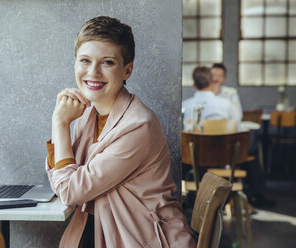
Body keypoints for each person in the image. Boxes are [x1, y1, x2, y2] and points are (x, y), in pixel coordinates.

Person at [45, 16, 196, 248]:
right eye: (85, 60)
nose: (93, 72)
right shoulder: (87, 113)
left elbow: (68, 190)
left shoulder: (137, 126)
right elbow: (63, 180)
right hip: (102, 231)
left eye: (107, 62)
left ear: (127, 70)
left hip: (145, 239)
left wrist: (59, 123)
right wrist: (63, 125)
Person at [182, 66, 238, 130]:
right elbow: (237, 127)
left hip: (194, 140)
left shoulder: (184, 106)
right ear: (212, 82)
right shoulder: (227, 104)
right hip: (221, 139)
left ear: (194, 85)